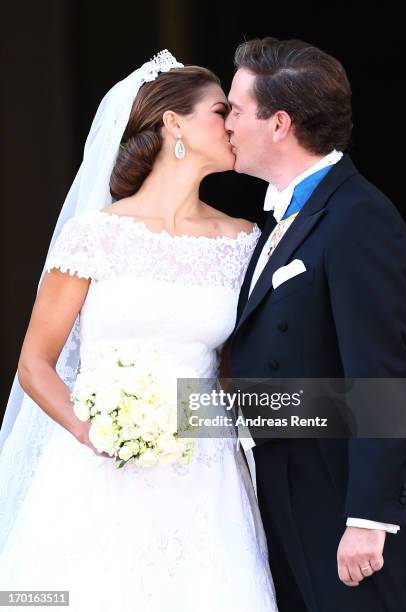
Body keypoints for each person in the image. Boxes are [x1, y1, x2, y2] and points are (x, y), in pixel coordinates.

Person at [0, 51, 278, 611]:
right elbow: (35, 363)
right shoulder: (94, 236)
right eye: (220, 109)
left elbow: (239, 368)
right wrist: (89, 431)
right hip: (96, 472)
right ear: (173, 123)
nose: (231, 124)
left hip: (204, 480)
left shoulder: (244, 240)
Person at [226, 37, 406, 611]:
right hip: (285, 491)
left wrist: (368, 518)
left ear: (280, 123)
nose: (228, 125)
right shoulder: (278, 216)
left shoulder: (358, 218)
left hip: (342, 506)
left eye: (238, 111)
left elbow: (383, 377)